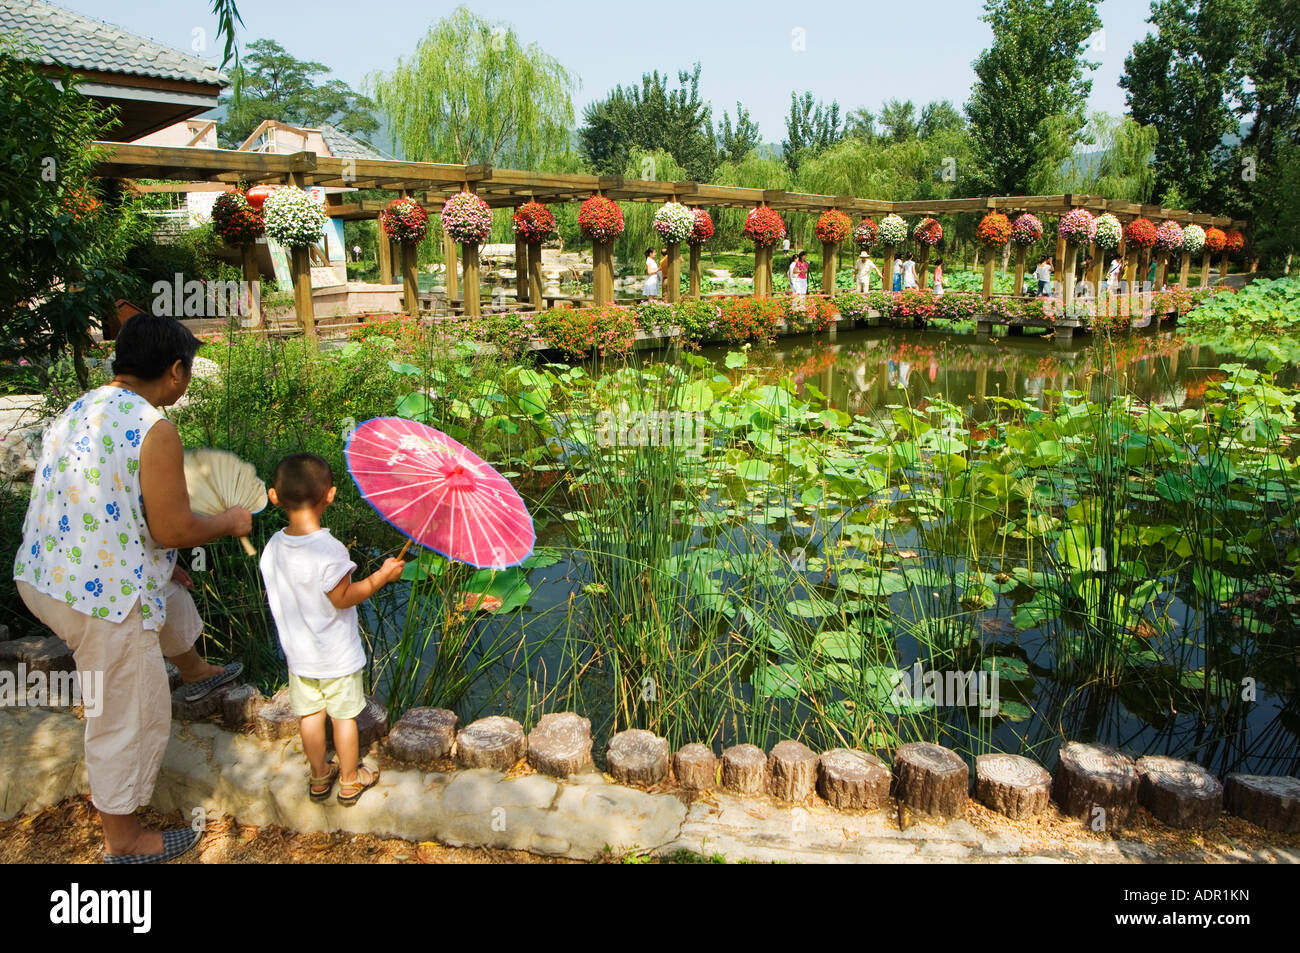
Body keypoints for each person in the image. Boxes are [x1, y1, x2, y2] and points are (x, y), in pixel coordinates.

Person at [13, 314, 249, 863]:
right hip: (96, 598)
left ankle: (194, 673)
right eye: (186, 371)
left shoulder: (81, 408)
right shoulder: (154, 428)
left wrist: (161, 561)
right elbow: (173, 529)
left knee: (169, 592)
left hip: (45, 573)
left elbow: (115, 508)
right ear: (173, 371)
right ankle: (124, 839)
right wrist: (230, 522)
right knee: (130, 709)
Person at [259, 453, 404, 807]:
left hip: (299, 656)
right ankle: (351, 780)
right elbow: (343, 597)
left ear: (274, 496)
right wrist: (382, 576)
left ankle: (320, 774)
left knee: (310, 716)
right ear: (331, 495)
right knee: (343, 718)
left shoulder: (273, 546)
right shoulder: (329, 549)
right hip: (336, 657)